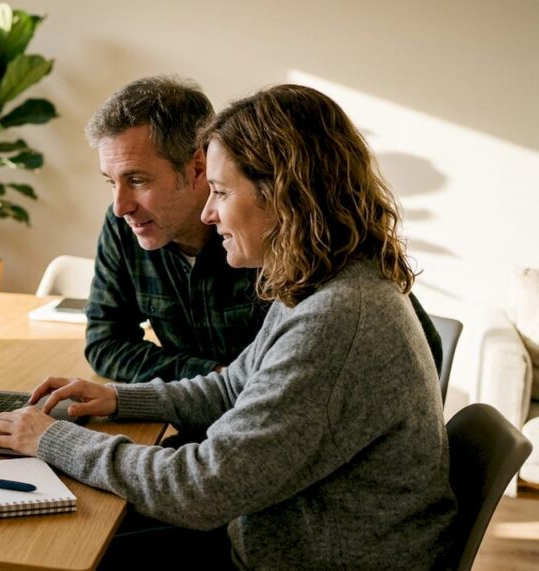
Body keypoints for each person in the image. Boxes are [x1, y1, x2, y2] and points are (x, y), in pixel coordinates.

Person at [0, 85, 457, 568]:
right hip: (274, 526)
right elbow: (236, 385)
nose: (210, 212)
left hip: (306, 555)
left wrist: (52, 439)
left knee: (62, 547)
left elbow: (201, 488)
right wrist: (123, 398)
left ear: (284, 195)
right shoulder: (321, 281)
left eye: (221, 192)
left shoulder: (337, 317)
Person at [83, 76, 442, 385]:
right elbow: (105, 343)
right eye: (110, 182)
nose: (120, 206)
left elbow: (420, 347)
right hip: (222, 423)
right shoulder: (124, 225)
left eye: (137, 180)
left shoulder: (278, 236)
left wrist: (236, 387)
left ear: (196, 166)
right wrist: (220, 378)